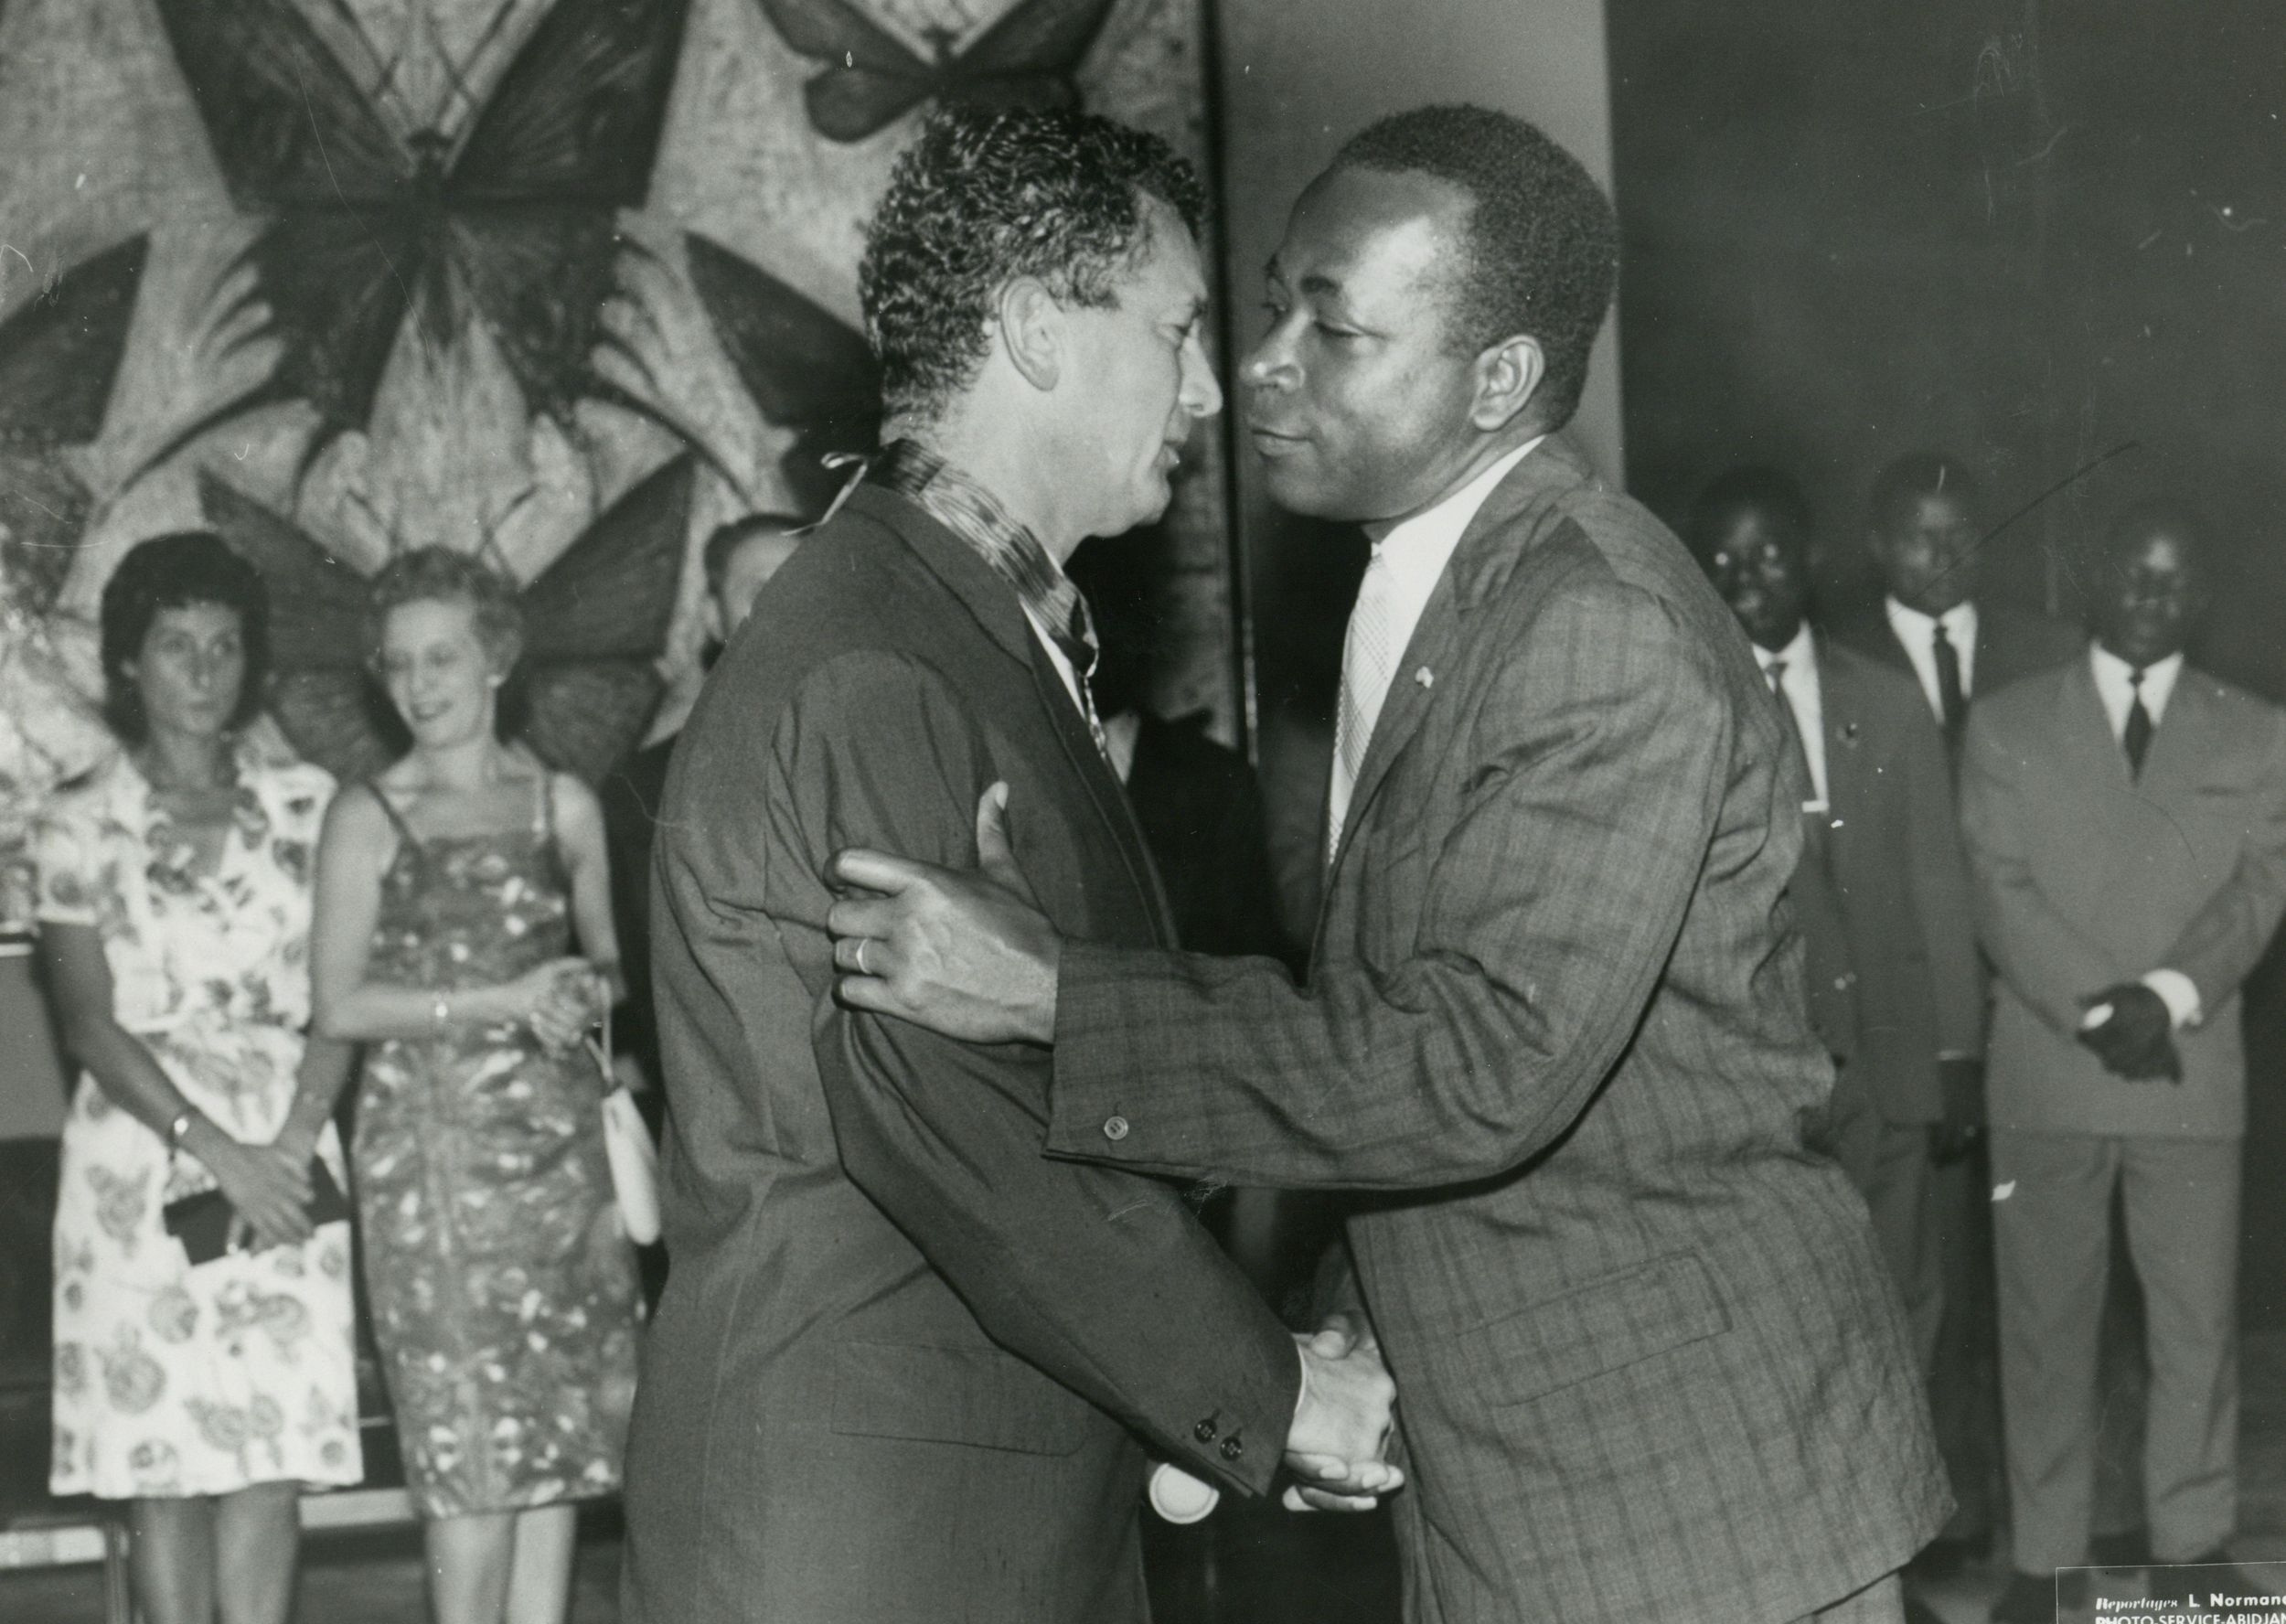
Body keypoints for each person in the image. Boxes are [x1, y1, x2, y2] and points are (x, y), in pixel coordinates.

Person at [828, 104, 1950, 1621]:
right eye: (1275, 300)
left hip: (1687, 1500)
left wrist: (1059, 996)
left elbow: (1480, 1062)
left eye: (1331, 327)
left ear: (1498, 379)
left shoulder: (1593, 626)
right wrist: (1318, 1346)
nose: (1258, 367)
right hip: (1530, 1471)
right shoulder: (1429, 592)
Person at [619, 107, 1397, 1624]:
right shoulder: (880, 660)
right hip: (877, 1538)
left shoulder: (947, 619)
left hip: (968, 1509)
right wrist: (1274, 1389)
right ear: (1040, 329)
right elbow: (953, 1120)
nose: (1204, 389)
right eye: (1174, 331)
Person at [1960, 505, 2286, 1623]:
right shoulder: (2004, 725)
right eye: (2133, 577)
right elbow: (1998, 887)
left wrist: (2169, 997)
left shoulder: (2257, 730)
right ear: (2095, 581)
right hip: (2051, 1071)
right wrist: (2103, 1010)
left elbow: (2258, 887)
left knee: (2195, 1326)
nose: (2152, 598)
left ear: (2199, 596)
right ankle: (2045, 1563)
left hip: (2188, 1079)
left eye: (2175, 581)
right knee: (2045, 1330)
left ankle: (2193, 1548)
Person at [33, 532, 360, 1624]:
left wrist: (287, 1148)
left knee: (269, 1452)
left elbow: (341, 998)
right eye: (176, 645)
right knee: (161, 1459)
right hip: (143, 1155)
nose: (203, 670)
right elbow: (86, 1020)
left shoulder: (316, 808)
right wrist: (217, 1152)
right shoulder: (77, 818)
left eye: (224, 646)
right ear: (131, 661)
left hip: (288, 1144)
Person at [309, 548, 641, 1624]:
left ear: (496, 655)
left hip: (557, 1156)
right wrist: (502, 1001)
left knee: (564, 1446)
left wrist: (573, 999)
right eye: (399, 662)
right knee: (466, 1450)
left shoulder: (564, 803)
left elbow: (611, 971)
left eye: (442, 655)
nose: (420, 683)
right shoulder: (366, 814)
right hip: (432, 1163)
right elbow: (338, 1006)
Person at [1831, 451, 2101, 1577]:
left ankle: (2066, 1528)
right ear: (1876, 545)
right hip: (1909, 1037)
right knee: (1923, 1278)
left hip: (2040, 1018)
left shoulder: (2051, 653)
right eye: (1913, 538)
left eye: (1958, 536)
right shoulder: (1832, 666)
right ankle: (1940, 1519)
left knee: (2054, 1283)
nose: (1937, 558)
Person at [1686, 467, 1984, 1377]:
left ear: (1811, 563)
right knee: (1784, 1335)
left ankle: (1908, 1521)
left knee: (1905, 1312)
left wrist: (1956, 1054)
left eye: (1769, 553)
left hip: (1891, 1073)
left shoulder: (1887, 703)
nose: (1748, 575)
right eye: (1726, 558)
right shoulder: (1679, 709)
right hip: (1759, 1087)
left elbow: (1938, 884)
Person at [599, 513, 807, 1095]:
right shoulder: (650, 784)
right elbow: (660, 986)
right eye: (759, 588)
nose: (786, 603)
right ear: (714, 618)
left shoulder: (893, 742)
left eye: (803, 579)